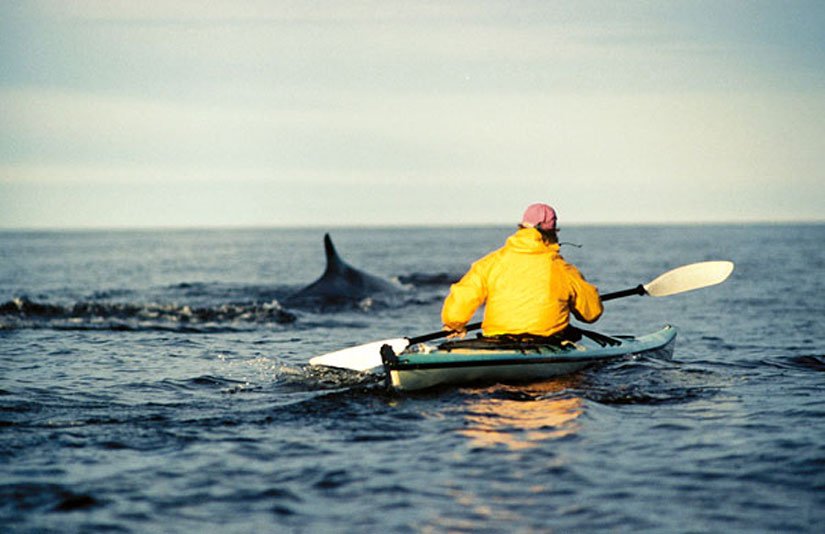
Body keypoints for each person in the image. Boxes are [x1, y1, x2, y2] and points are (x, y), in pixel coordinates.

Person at [441, 203, 603, 340]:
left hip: (497, 339)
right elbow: (591, 313)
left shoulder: (491, 262)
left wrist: (454, 324)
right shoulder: (563, 269)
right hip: (545, 341)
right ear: (553, 232)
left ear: (522, 227)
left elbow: (464, 295)